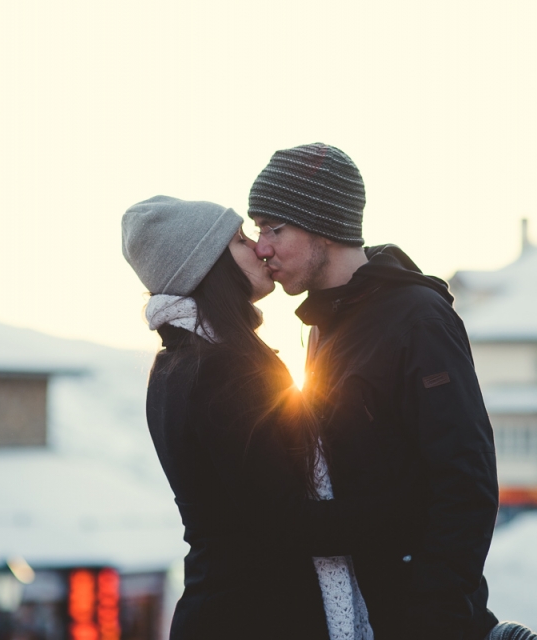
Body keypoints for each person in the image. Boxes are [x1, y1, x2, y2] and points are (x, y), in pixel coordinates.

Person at [121, 195, 412, 640]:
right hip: (254, 616)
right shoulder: (222, 369)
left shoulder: (173, 365)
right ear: (209, 266)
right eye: (239, 239)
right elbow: (285, 522)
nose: (258, 248)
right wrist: (406, 507)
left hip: (221, 609)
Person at [248, 143, 501, 640]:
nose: (262, 247)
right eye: (258, 230)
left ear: (321, 223)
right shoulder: (326, 327)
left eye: (273, 228)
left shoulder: (417, 319)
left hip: (420, 617)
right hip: (357, 614)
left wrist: (435, 616)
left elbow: (465, 481)